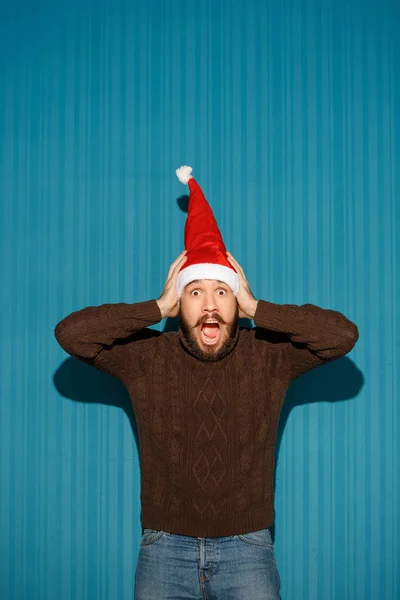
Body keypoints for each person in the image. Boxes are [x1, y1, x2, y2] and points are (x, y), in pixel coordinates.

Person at [54, 166, 359, 599]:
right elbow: (72, 334)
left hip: (248, 548)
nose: (211, 306)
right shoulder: (147, 358)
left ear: (238, 302)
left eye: (223, 292)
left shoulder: (268, 356)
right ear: (181, 303)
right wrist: (156, 306)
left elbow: (342, 336)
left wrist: (259, 306)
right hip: (163, 551)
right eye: (196, 292)